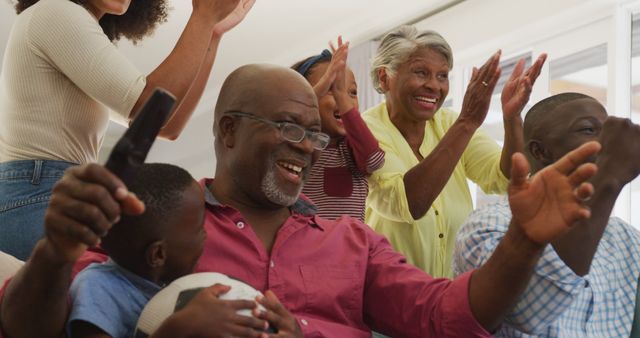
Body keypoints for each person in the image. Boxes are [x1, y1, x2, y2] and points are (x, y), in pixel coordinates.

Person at [0, 64, 601, 338]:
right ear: (228, 130)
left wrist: (523, 242)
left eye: (316, 132)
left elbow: (444, 316)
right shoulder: (156, 217)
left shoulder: (352, 243)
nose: (310, 148)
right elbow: (31, 325)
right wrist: (56, 250)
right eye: (289, 126)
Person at [0, 0, 255, 260]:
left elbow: (167, 124)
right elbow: (149, 105)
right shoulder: (55, 12)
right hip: (37, 196)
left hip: (41, 195)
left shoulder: (61, 25)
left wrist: (210, 30)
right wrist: (203, 18)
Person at [362, 25, 547, 277]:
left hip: (452, 295)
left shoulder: (449, 123)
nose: (434, 86)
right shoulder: (365, 131)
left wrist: (512, 118)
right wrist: (467, 122)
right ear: (384, 78)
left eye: (442, 76)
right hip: (392, 301)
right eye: (420, 73)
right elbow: (406, 203)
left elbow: (504, 179)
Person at [453, 93, 640, 337]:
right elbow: (528, 314)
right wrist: (609, 175)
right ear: (540, 152)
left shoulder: (625, 237)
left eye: (609, 131)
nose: (609, 141)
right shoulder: (488, 225)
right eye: (588, 129)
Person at [292, 38, 384, 220]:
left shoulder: (351, 147)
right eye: (332, 88)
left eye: (353, 93)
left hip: (349, 246)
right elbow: (292, 111)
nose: (345, 99)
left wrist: (341, 96)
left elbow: (374, 161)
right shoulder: (297, 143)